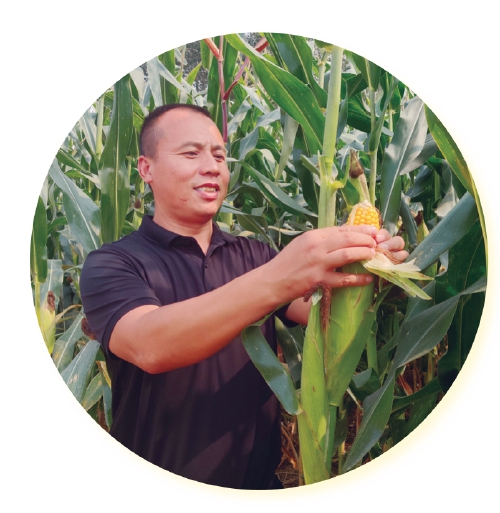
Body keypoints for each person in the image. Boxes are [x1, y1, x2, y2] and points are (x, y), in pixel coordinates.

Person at [80, 104, 407, 490]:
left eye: (219, 156)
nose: (212, 167)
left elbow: (320, 310)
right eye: (191, 153)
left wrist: (366, 270)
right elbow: (149, 345)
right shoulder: (113, 263)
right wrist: (278, 277)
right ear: (146, 168)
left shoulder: (255, 256)